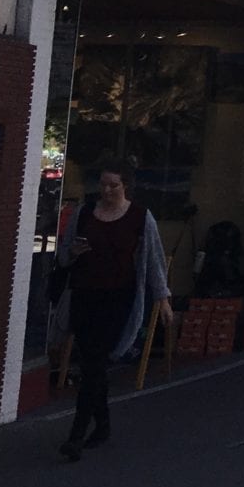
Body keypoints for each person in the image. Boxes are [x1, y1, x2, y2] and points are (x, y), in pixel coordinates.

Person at [55, 159, 172, 462]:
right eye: (103, 184)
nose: (106, 191)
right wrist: (73, 252)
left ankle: (76, 436)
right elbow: (63, 255)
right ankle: (103, 424)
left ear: (126, 186)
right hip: (84, 295)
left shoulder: (140, 218)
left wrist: (163, 299)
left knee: (96, 360)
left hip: (118, 299)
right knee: (92, 364)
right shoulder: (84, 214)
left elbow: (154, 260)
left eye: (113, 185)